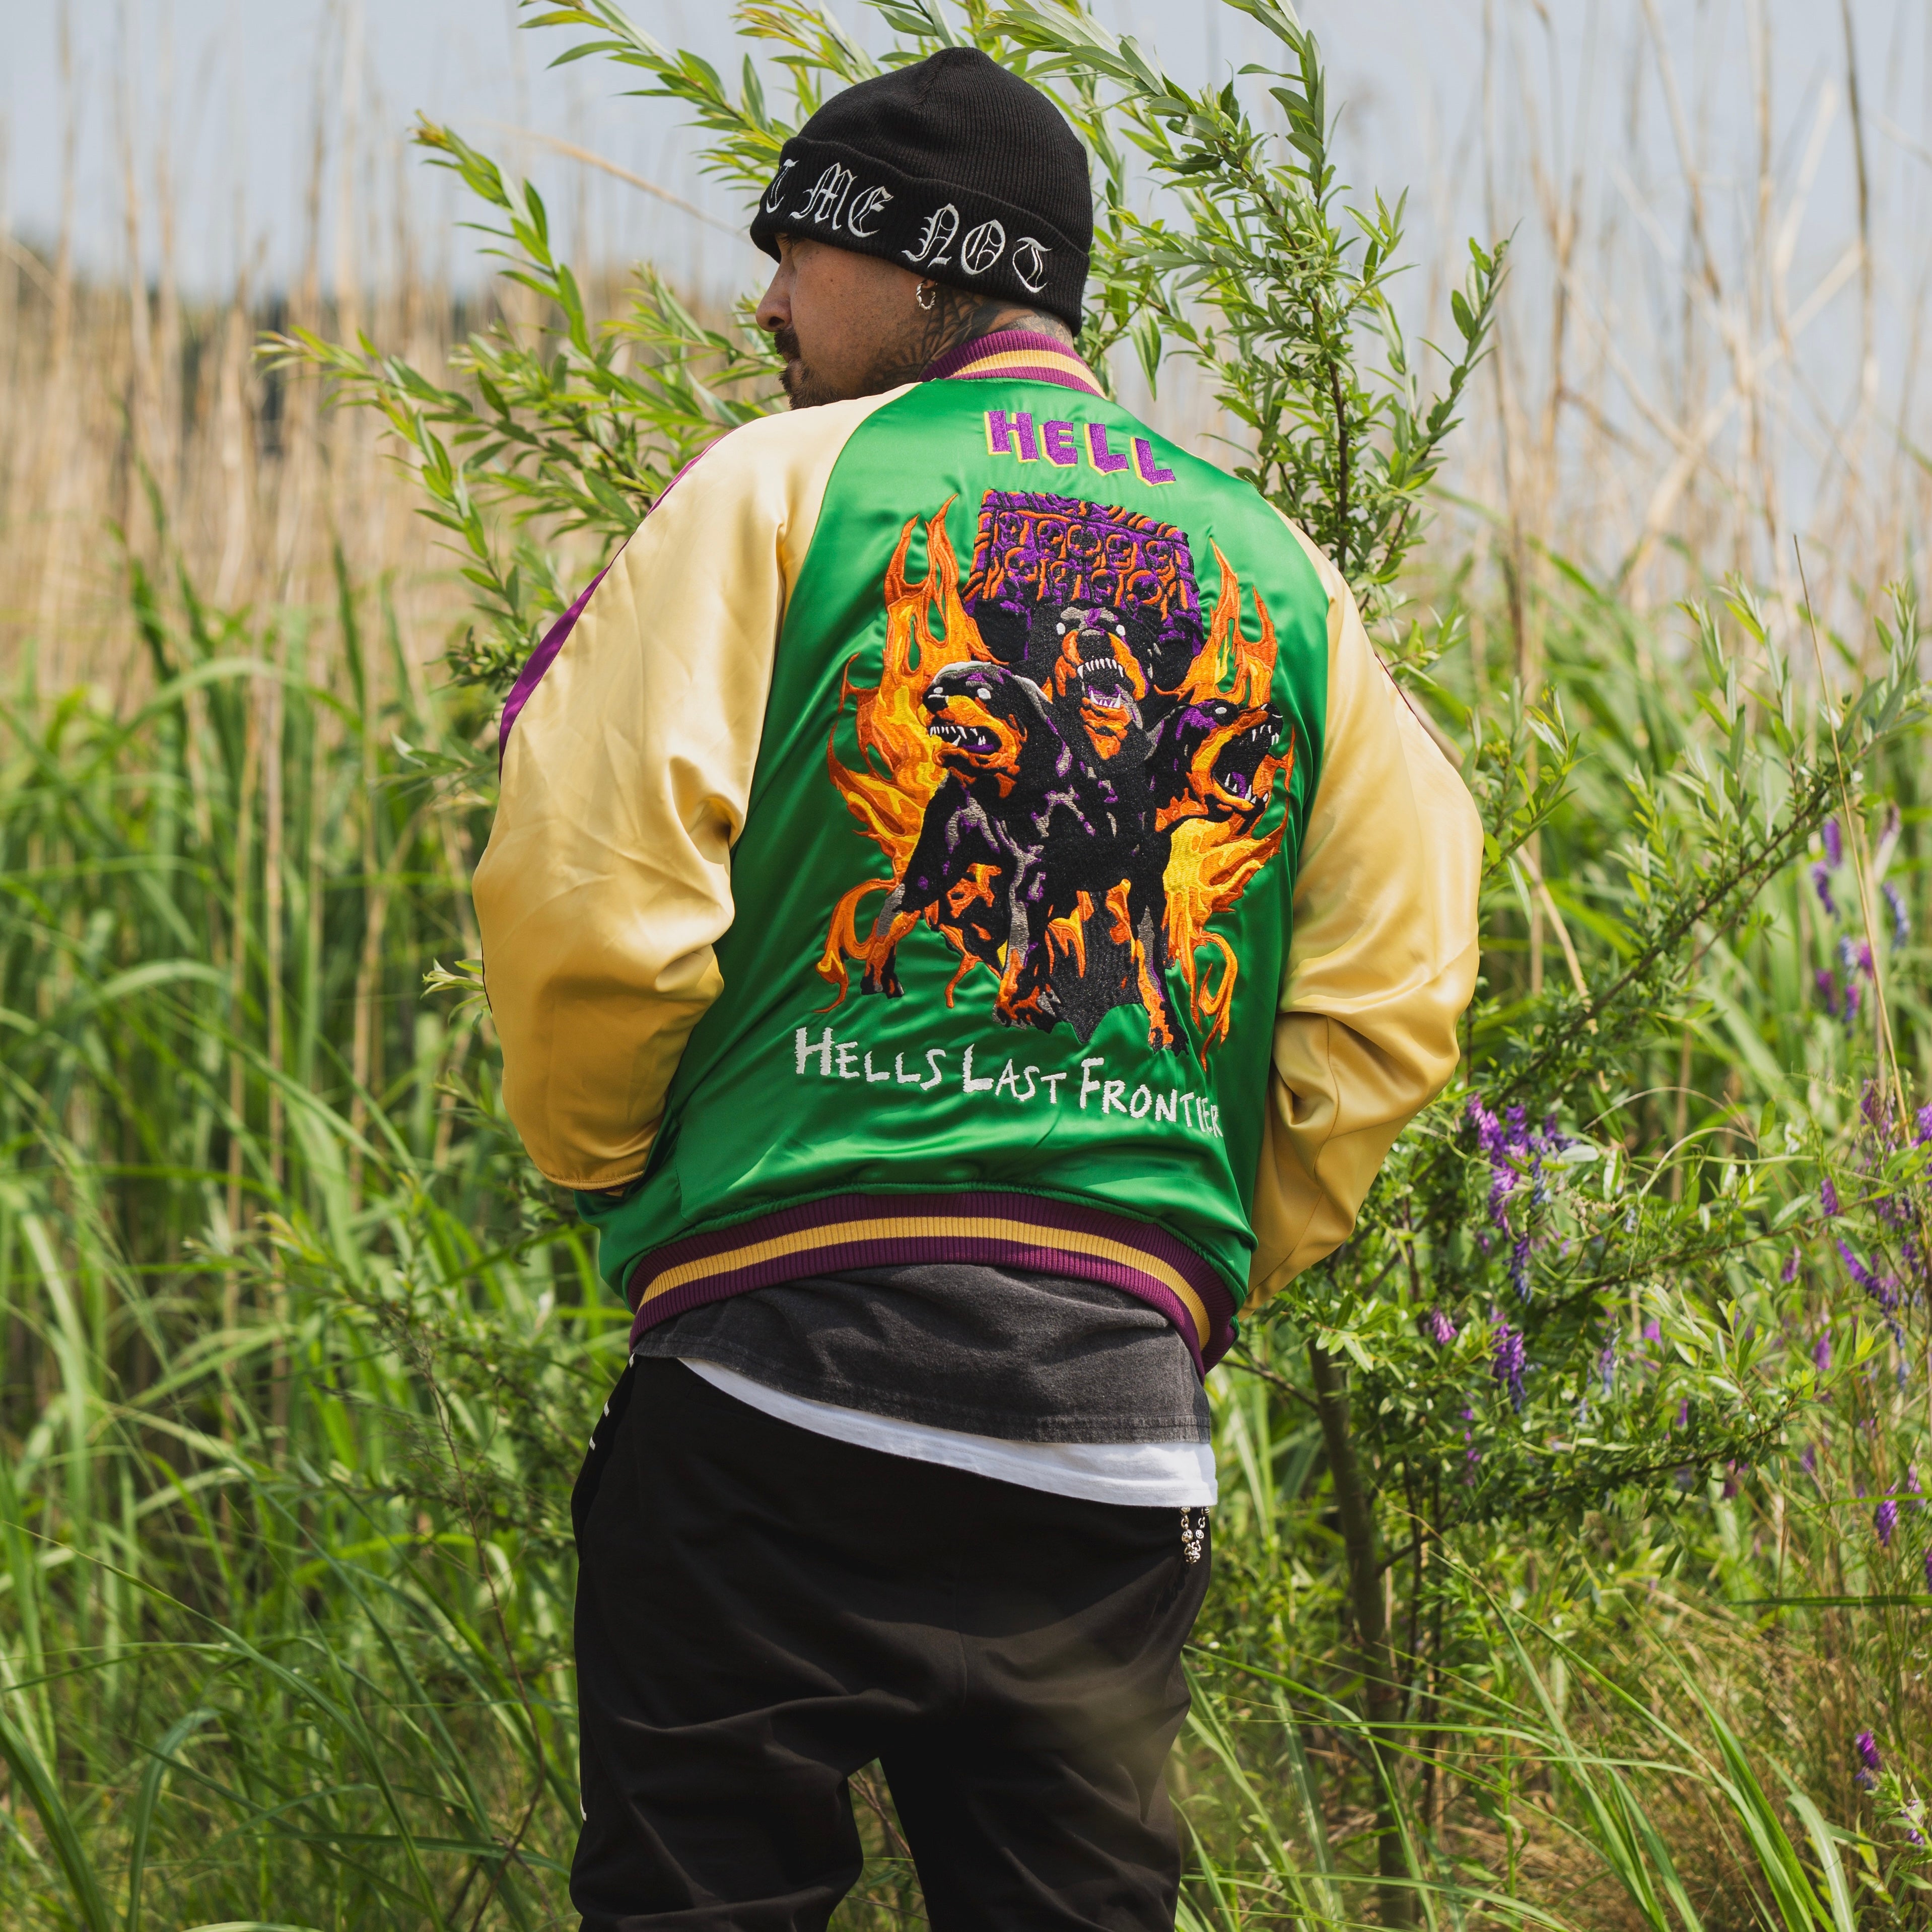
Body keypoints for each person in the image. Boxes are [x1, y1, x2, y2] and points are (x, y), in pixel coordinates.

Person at [473, 45, 1481, 1932]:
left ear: (932, 265)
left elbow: (593, 890)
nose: (769, 303)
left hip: (775, 1393)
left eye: (798, 252)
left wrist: (609, 1166)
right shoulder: (1280, 571)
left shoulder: (774, 489)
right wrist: (1187, 1255)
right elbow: (1399, 983)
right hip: (1110, 1448)